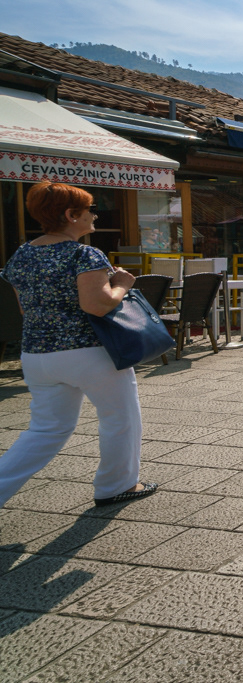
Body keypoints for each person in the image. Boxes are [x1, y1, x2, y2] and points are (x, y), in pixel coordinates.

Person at [0, 182, 156, 509]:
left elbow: (25, 309)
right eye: (90, 210)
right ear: (72, 215)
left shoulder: (21, 255)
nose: (95, 215)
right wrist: (123, 284)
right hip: (89, 352)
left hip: (37, 354)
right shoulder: (84, 253)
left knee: (45, 430)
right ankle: (117, 485)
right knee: (119, 418)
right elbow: (97, 305)